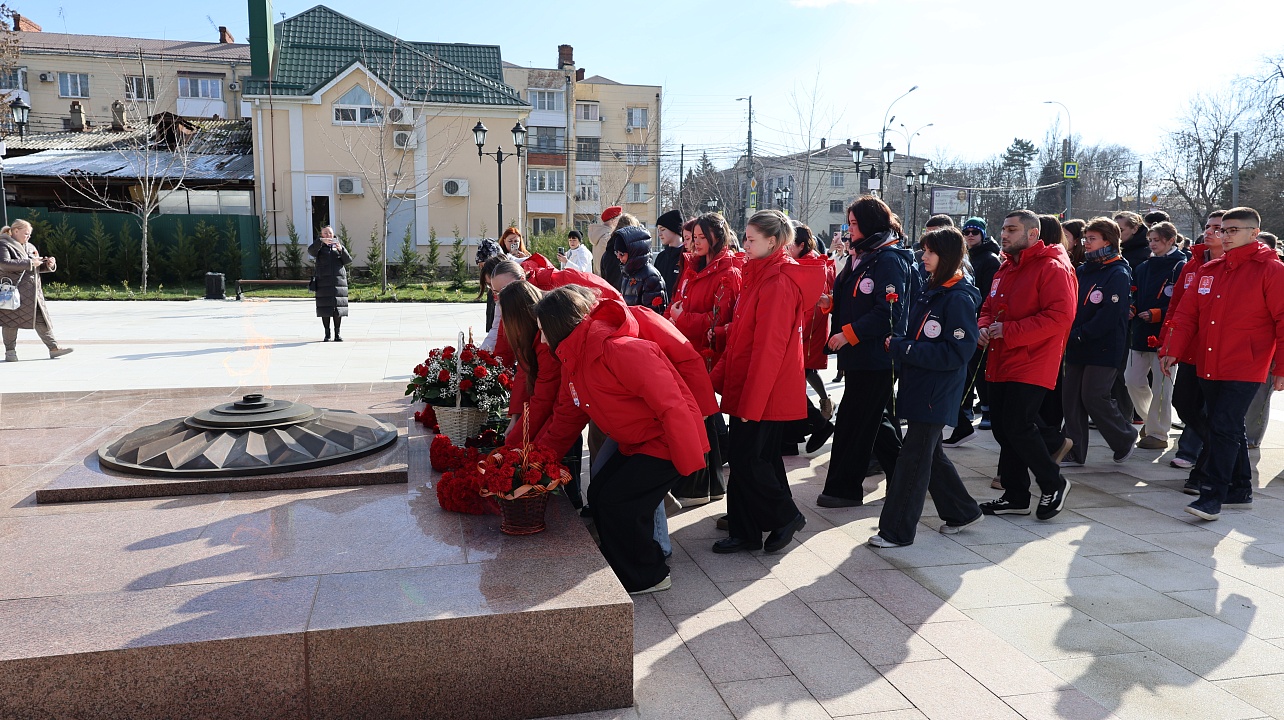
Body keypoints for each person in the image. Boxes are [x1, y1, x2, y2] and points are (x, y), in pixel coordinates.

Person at [535, 287, 709, 594]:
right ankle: (622, 564)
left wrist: (688, 461)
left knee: (620, 502)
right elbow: (566, 418)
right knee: (599, 493)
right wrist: (536, 462)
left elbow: (671, 404)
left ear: (557, 325)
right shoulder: (573, 359)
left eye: (543, 331)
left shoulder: (619, 350)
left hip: (667, 441)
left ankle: (649, 575)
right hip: (636, 441)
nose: (542, 340)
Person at [710, 209, 822, 553]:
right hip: (753, 385)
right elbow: (742, 337)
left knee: (748, 459)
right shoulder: (759, 274)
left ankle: (785, 516)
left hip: (764, 391)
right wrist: (715, 379)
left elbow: (769, 350)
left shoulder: (776, 282)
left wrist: (751, 403)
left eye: (750, 239)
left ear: (772, 242)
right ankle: (746, 530)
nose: (743, 244)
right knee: (758, 459)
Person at [1161, 207, 1284, 520]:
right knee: (1226, 425)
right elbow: (1187, 314)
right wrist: (1172, 349)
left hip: (1247, 365)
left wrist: (1281, 367)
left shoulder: (1271, 269)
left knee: (1223, 425)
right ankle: (1240, 489)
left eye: (1232, 230)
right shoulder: (1210, 270)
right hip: (1209, 360)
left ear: (1254, 233)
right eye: (1221, 230)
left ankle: (1211, 495)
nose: (1223, 235)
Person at [871, 227, 983, 547]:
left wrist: (905, 349)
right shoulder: (932, 288)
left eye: (931, 251)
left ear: (947, 256)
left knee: (913, 461)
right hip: (922, 385)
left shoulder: (958, 297)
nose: (924, 256)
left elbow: (956, 352)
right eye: (924, 250)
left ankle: (896, 531)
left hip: (936, 391)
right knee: (928, 453)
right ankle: (961, 511)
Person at [977, 210, 1077, 519]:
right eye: (1003, 228)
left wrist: (1010, 330)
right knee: (1004, 429)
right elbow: (989, 306)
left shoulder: (1052, 267)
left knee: (1017, 426)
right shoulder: (1006, 267)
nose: (1003, 234)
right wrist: (983, 326)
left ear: (1033, 234)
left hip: (1033, 359)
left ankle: (1053, 483)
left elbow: (1060, 316)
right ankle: (1016, 495)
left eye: (1011, 229)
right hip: (1002, 357)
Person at [818, 196, 912, 508]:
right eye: (850, 223)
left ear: (871, 224)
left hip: (876, 356)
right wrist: (832, 304)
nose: (850, 230)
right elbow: (857, 297)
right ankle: (908, 480)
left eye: (855, 224)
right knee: (875, 420)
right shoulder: (864, 254)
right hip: (860, 356)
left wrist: (848, 334)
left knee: (855, 422)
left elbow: (889, 312)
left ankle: (844, 490)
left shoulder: (888, 259)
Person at [666, 212, 741, 506]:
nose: (695, 243)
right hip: (684, 348)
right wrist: (671, 319)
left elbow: (718, 320)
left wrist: (681, 319)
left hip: (705, 353)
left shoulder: (728, 273)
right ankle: (709, 484)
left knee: (701, 416)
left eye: (701, 237)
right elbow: (677, 302)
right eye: (693, 237)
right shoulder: (692, 266)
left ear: (716, 238)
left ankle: (700, 486)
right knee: (700, 417)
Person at [1061, 217, 1136, 465]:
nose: (1087, 243)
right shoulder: (1083, 270)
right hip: (1077, 344)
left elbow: (1110, 315)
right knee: (1071, 397)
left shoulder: (1118, 272)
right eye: (1085, 238)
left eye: (1092, 239)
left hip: (1104, 346)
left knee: (1093, 396)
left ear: (1108, 241)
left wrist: (1081, 333)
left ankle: (1123, 436)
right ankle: (1073, 449)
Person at [1163, 212, 1224, 479]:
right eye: (1208, 226)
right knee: (1183, 403)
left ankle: (1204, 468)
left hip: (1220, 353)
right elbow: (1176, 307)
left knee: (1217, 413)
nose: (1210, 231)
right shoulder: (1192, 265)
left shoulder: (1234, 266)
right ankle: (1215, 448)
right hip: (1190, 350)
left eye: (1218, 228)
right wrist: (1167, 344)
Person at [1125, 221, 1185, 450]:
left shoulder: (1181, 266)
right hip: (1141, 331)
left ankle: (1158, 433)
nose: (1152, 244)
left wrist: (1159, 313)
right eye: (1150, 240)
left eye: (1157, 240)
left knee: (1162, 386)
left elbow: (1182, 303)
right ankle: (1152, 421)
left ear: (1171, 240)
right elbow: (1134, 293)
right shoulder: (1143, 267)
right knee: (1132, 380)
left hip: (1166, 334)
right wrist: (1131, 307)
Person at [945, 216, 1000, 444]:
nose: (970, 236)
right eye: (966, 232)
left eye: (974, 232)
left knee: (979, 367)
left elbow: (987, 294)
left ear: (983, 235)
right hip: (966, 318)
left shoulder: (990, 259)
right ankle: (964, 410)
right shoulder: (966, 256)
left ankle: (987, 410)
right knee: (967, 368)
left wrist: (981, 321)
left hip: (978, 319)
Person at [787, 223, 837, 431]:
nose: (786, 249)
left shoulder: (811, 264)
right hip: (807, 324)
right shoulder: (807, 261)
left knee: (801, 370)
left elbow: (813, 302)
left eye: (789, 244)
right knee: (805, 370)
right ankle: (822, 408)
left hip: (809, 325)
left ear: (801, 245)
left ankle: (817, 416)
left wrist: (799, 330)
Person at [1, 219, 73, 362]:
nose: (28, 237)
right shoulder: (3, 244)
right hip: (13, 291)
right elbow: (4, 264)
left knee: (40, 319)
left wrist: (47, 264)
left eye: (29, 235)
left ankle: (54, 348)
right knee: (10, 322)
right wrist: (30, 262)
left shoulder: (30, 246)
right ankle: (10, 352)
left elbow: (36, 266)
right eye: (26, 234)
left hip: (33, 292)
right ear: (16, 231)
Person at [308, 225, 352, 342]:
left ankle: (337, 334)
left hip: (338, 281)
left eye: (330, 233)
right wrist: (320, 242)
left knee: (338, 309)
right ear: (321, 235)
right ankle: (327, 334)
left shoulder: (338, 245)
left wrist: (341, 250)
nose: (328, 235)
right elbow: (311, 251)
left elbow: (348, 260)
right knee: (325, 308)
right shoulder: (319, 247)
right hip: (323, 281)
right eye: (325, 233)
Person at [613, 226, 666, 313]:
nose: (618, 257)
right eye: (616, 253)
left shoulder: (650, 277)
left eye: (621, 253)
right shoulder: (628, 272)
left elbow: (653, 314)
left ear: (634, 253)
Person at [595, 207, 629, 290]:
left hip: (602, 280)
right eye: (619, 218)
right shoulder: (607, 237)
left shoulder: (599, 235)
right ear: (613, 220)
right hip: (611, 283)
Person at [653, 210, 685, 294]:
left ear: (674, 229)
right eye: (658, 230)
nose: (659, 234)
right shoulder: (661, 257)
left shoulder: (686, 256)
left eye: (663, 229)